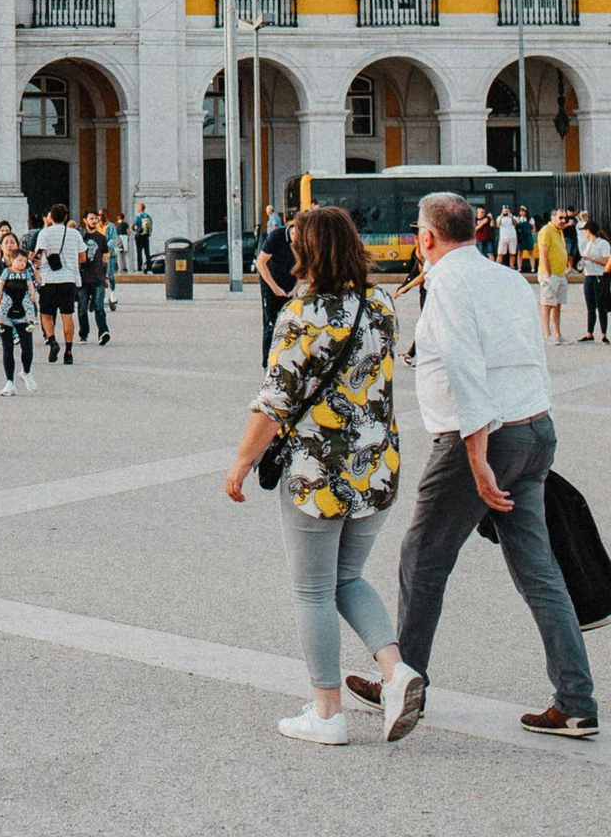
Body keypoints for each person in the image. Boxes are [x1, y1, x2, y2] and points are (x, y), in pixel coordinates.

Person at [347, 193, 598, 741]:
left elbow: (465, 368)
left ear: (427, 237)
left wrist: (479, 458)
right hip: (533, 427)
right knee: (539, 570)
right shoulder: (508, 279)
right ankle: (576, 702)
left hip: (482, 439)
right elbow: (530, 356)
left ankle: (403, 681)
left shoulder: (447, 285)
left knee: (423, 557)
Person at [223, 205, 414, 745]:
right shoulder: (380, 303)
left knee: (312, 591)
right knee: (347, 578)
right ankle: (397, 671)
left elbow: (274, 403)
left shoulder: (301, 314)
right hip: (376, 465)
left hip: (318, 470)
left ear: (307, 252)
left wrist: (241, 463)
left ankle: (327, 714)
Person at [33, 202, 84, 363]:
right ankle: (68, 352)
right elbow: (83, 257)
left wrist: (36, 270)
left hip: (49, 279)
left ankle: (52, 341)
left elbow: (38, 257)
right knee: (67, 315)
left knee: (46, 314)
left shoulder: (45, 233)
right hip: (69, 279)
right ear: (66, 217)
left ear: (50, 218)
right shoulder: (75, 234)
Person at [0, 247, 39, 395]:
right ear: (12, 260)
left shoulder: (27, 272)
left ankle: (26, 372)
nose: (22, 263)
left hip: (22, 311)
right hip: (7, 313)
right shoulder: (3, 271)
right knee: (7, 347)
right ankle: (10, 382)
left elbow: (34, 285)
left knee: (27, 347)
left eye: (24, 261)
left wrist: (33, 293)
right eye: (19, 260)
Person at [255, 208, 295, 366]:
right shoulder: (277, 235)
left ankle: (286, 361)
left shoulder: (306, 240)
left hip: (289, 284)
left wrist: (295, 289)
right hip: (270, 282)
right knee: (270, 325)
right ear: (293, 231)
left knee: (291, 323)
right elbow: (260, 263)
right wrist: (275, 288)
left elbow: (306, 267)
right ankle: (267, 364)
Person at [76, 211, 112, 348]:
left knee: (99, 307)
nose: (94, 221)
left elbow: (104, 258)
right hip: (83, 278)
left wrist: (106, 276)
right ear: (85, 220)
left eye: (96, 218)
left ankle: (103, 332)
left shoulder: (101, 238)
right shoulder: (80, 237)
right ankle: (83, 334)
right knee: (82, 308)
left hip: (98, 278)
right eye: (91, 218)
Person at [535, 207, 570, 343]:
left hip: (560, 274)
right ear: (553, 218)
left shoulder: (559, 232)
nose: (563, 221)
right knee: (547, 304)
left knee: (557, 305)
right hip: (550, 275)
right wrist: (548, 275)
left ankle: (557, 334)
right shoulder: (546, 231)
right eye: (560, 218)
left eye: (565, 218)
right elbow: (543, 254)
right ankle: (547, 335)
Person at [579, 215, 611, 344]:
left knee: (601, 306)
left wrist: (592, 259)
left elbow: (606, 261)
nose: (584, 233)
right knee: (590, 306)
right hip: (588, 275)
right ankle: (589, 333)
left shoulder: (602, 244)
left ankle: (603, 334)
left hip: (599, 276)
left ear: (589, 231)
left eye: (585, 231)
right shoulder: (588, 244)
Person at [131, 200, 154, 273]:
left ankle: (140, 269)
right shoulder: (148, 216)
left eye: (138, 208)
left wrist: (136, 229)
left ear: (140, 208)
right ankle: (149, 268)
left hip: (139, 236)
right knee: (147, 252)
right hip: (146, 236)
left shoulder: (138, 216)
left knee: (139, 253)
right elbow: (151, 225)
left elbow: (133, 227)